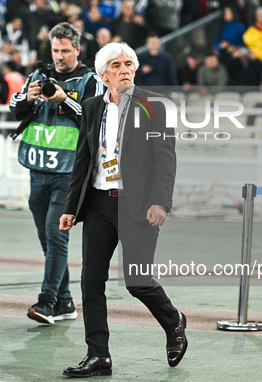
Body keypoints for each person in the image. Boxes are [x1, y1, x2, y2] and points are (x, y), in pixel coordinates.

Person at [59, 42, 187, 378]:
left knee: (137, 280)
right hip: (99, 203)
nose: (125, 69)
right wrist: (71, 206)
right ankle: (98, 355)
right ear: (103, 75)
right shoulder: (91, 107)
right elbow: (83, 160)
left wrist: (161, 202)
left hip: (140, 205)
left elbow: (166, 159)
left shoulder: (155, 105)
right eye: (116, 65)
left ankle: (173, 321)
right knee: (91, 282)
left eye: (129, 63)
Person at [9, 22, 102, 325]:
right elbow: (14, 107)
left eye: (65, 50)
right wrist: (28, 98)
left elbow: (94, 120)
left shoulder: (90, 80)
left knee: (54, 235)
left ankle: (47, 301)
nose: (59, 56)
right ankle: (65, 302)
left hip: (69, 174)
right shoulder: (38, 75)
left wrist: (64, 99)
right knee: (47, 239)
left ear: (77, 49)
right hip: (38, 168)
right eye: (55, 50)